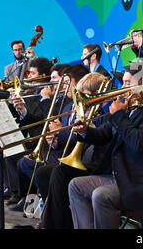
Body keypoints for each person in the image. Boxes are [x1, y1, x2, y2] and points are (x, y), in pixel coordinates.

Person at [68, 64, 143, 229]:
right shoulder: (129, 109)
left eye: (127, 83)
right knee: (76, 186)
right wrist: (84, 131)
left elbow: (138, 143)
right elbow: (104, 135)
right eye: (123, 82)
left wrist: (118, 115)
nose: (122, 88)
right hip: (122, 177)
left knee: (100, 195)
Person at [8, 64, 89, 212]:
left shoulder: (62, 99)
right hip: (49, 143)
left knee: (27, 164)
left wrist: (46, 100)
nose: (55, 83)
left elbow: (47, 119)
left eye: (55, 78)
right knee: (20, 161)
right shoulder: (58, 100)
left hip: (65, 151)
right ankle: (33, 204)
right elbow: (38, 119)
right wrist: (22, 109)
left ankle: (43, 207)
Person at [34, 72, 108, 229]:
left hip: (96, 164)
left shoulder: (104, 114)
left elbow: (102, 142)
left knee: (59, 173)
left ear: (97, 94)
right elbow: (72, 141)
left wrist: (88, 132)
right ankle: (61, 220)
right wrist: (55, 141)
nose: (81, 100)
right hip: (79, 160)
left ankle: (53, 224)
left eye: (85, 95)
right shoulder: (83, 112)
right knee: (42, 173)